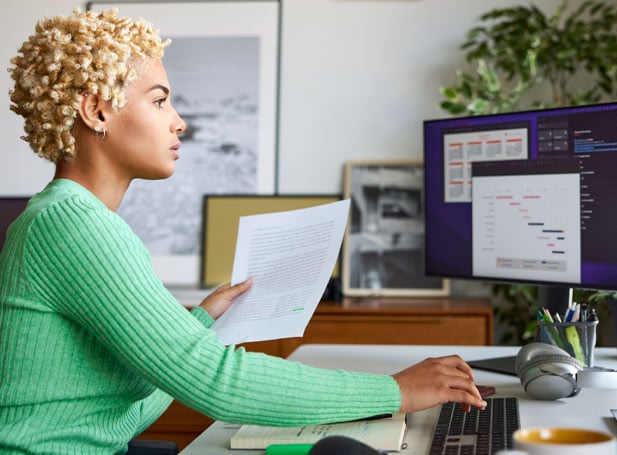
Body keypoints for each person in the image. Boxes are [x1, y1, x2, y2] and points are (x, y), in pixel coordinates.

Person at [0, 8, 486, 454]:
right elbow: (212, 382)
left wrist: (201, 321)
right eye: (160, 101)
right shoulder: (71, 226)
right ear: (96, 112)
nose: (179, 122)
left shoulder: (68, 218)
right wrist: (396, 391)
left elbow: (122, 399)